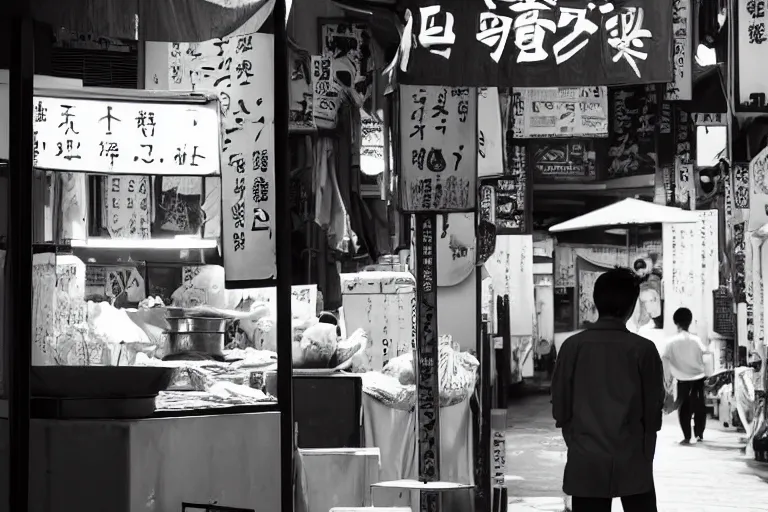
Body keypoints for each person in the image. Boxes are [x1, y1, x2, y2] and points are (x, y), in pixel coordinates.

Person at [552, 267, 664, 512]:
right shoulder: (643, 349)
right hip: (633, 455)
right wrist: (646, 445)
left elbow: (560, 406)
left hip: (586, 455)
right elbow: (654, 407)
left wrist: (574, 438)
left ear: (596, 300)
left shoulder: (572, 347)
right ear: (632, 305)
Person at [662, 307, 710, 444]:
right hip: (698, 379)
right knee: (700, 406)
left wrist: (668, 380)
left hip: (682, 380)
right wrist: (707, 375)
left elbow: (665, 360)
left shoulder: (670, 342)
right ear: (689, 322)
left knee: (684, 408)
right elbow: (707, 357)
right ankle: (700, 433)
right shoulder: (697, 340)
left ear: (676, 322)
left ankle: (687, 436)